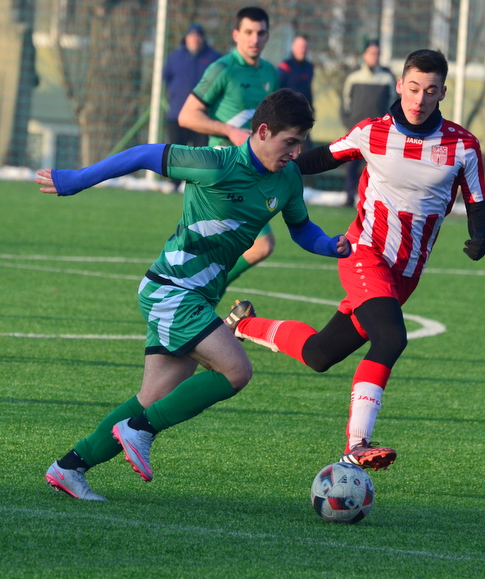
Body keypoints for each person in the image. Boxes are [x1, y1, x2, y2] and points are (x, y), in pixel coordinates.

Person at [39, 89, 351, 501]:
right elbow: (143, 154)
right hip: (171, 288)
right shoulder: (216, 164)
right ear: (262, 131)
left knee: (153, 397)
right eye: (289, 142)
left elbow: (302, 228)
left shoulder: (288, 178)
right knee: (236, 371)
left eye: (300, 143)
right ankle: (140, 431)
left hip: (197, 296)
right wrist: (77, 180)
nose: (296, 153)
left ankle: (69, 467)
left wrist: (328, 244)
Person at [230, 50, 485, 471]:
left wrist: (480, 236)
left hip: (405, 275)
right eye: (413, 88)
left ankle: (241, 324)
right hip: (364, 255)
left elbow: (477, 203)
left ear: (443, 92)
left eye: (430, 91)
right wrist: (265, 167)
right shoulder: (372, 132)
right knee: (391, 339)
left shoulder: (463, 146)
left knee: (320, 354)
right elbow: (319, 158)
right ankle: (357, 444)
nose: (419, 99)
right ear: (400, 86)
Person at [178, 7, 279, 292]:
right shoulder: (222, 69)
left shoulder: (270, 73)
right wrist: (229, 130)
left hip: (252, 173)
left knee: (246, 246)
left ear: (267, 36)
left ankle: (202, 291)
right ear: (236, 35)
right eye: (248, 32)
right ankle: (203, 291)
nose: (254, 39)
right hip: (222, 169)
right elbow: (187, 116)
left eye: (260, 33)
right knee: (259, 244)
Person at [340, 40, 396, 207]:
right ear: (364, 55)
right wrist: (349, 123)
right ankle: (349, 196)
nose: (374, 57)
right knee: (352, 166)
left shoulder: (387, 78)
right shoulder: (353, 77)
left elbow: (393, 104)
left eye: (377, 53)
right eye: (371, 53)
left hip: (379, 133)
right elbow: (345, 103)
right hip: (357, 130)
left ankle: (375, 201)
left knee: (377, 169)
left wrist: (387, 126)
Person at [162, 24, 221, 149]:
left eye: (198, 36)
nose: (195, 39)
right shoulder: (174, 58)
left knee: (202, 155)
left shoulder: (214, 58)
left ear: (203, 39)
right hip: (177, 116)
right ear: (186, 38)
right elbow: (166, 78)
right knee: (176, 154)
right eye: (192, 36)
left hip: (204, 117)